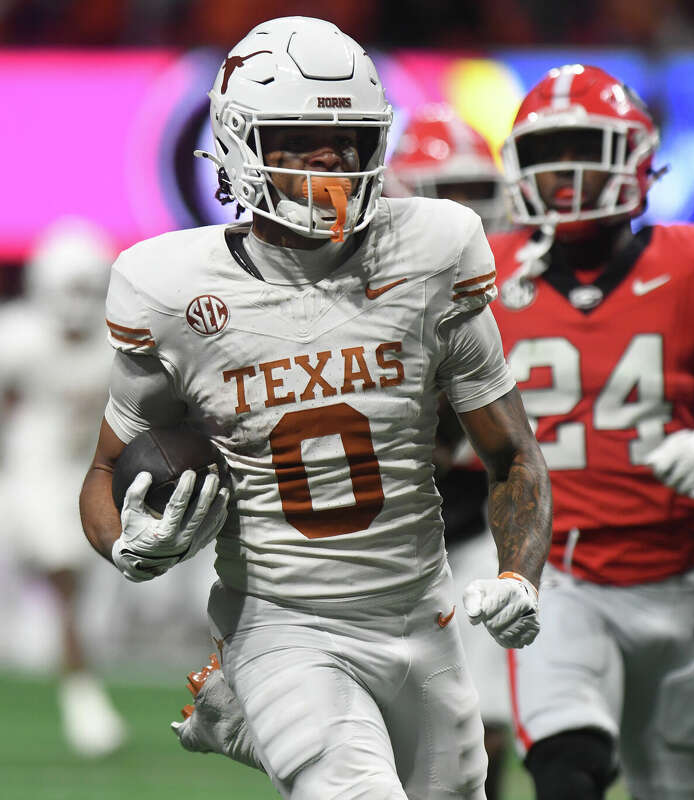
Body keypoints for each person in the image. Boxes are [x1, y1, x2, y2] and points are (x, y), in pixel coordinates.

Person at [80, 16, 552, 800]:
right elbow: (103, 468)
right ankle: (259, 701)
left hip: (420, 614)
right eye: (299, 137)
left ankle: (248, 726)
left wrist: (518, 575)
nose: (331, 159)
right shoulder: (169, 291)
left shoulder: (434, 253)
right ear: (237, 143)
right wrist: (125, 543)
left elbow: (512, 456)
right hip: (282, 623)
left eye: (350, 140)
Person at [488, 65, 694, 800]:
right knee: (567, 772)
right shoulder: (486, 274)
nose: (569, 173)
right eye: (550, 153)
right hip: (560, 579)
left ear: (638, 158)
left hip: (676, 585)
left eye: (587, 146)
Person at [388, 102, 514, 800]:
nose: (469, 212)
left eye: (477, 193)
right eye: (452, 193)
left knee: (485, 730)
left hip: (475, 527)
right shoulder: (363, 289)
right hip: (380, 537)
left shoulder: (514, 290)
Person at [0, 218, 126, 757]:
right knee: (63, 576)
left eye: (89, 287)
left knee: (85, 587)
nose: (79, 302)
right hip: (31, 466)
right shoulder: (14, 337)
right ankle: (80, 689)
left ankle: (73, 678)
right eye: (71, 287)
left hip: (89, 468)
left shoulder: (118, 342)